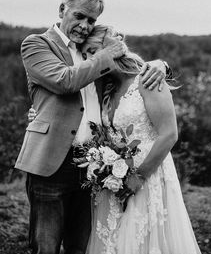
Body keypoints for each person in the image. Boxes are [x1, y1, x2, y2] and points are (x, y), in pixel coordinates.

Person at [15, 0, 169, 254]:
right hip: (50, 162)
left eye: (92, 20)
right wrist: (105, 54)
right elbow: (65, 82)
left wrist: (160, 64)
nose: (85, 25)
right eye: (79, 16)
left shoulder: (91, 54)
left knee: (83, 245)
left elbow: (128, 75)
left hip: (91, 166)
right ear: (62, 9)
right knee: (46, 246)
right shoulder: (37, 44)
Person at [78, 25, 202, 254]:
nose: (90, 60)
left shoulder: (147, 79)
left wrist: (138, 178)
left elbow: (169, 134)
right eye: (84, 55)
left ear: (112, 48)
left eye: (93, 51)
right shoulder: (105, 88)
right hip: (115, 182)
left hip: (149, 177)